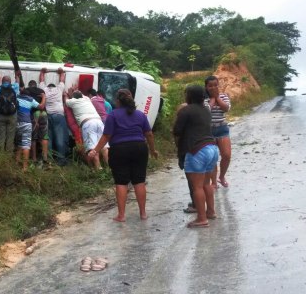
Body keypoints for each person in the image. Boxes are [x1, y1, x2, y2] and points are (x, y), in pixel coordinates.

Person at [89, 89, 158, 222]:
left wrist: (95, 150)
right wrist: (153, 150)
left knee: (121, 182)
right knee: (139, 181)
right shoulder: (140, 115)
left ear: (118, 101)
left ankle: (121, 215)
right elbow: (149, 134)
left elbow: (106, 136)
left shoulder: (113, 115)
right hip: (139, 148)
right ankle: (143, 213)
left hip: (119, 150)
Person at [173, 85, 219, 228]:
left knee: (196, 187)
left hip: (197, 150)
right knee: (206, 184)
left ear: (190, 96)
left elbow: (176, 131)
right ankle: (210, 212)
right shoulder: (206, 110)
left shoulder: (186, 110)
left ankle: (201, 218)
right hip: (212, 148)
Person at [65, 89, 107, 169]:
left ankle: (99, 170)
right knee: (104, 147)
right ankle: (109, 168)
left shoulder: (72, 102)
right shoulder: (87, 99)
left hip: (88, 124)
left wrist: (67, 95)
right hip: (99, 122)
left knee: (92, 148)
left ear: (73, 98)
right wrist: (76, 91)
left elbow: (66, 100)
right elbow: (80, 95)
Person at [205, 75, 231, 188]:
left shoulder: (224, 96)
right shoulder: (203, 99)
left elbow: (226, 108)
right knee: (212, 158)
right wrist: (212, 100)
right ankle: (214, 182)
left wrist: (217, 98)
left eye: (215, 85)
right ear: (206, 87)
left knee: (226, 155)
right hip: (208, 131)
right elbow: (205, 112)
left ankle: (222, 176)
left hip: (222, 129)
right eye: (210, 86)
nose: (213, 87)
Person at [39, 68, 69, 166]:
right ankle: (61, 159)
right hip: (59, 116)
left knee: (49, 138)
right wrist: (61, 72)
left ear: (47, 87)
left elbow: (41, 80)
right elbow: (62, 79)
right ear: (54, 86)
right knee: (60, 137)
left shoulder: (44, 90)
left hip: (48, 116)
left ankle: (50, 159)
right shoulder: (59, 89)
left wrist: (42, 72)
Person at [15, 87, 46, 171]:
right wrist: (43, 97)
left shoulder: (17, 97)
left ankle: (16, 163)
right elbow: (41, 106)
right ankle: (25, 167)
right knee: (26, 145)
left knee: (19, 144)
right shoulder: (30, 100)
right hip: (26, 124)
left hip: (17, 124)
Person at [0, 73, 20, 152]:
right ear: (10, 82)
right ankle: (8, 155)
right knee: (11, 136)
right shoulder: (15, 87)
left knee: (1, 136)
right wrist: (17, 76)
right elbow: (17, 82)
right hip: (12, 115)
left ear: (2, 82)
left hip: (0, 115)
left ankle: (1, 155)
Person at [24, 80, 49, 166]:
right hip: (44, 113)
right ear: (36, 85)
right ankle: (45, 158)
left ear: (29, 85)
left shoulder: (27, 91)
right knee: (44, 137)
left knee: (33, 138)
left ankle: (34, 158)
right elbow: (44, 102)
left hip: (35, 114)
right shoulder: (41, 91)